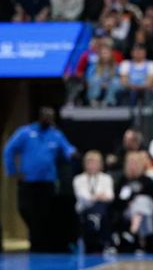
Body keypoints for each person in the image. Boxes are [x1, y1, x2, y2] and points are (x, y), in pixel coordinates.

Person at [3, 107, 77, 252]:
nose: (48, 119)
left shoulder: (56, 135)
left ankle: (39, 244)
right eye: (46, 116)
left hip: (47, 182)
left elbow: (67, 149)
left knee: (43, 214)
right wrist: (12, 171)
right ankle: (36, 238)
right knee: (24, 209)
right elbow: (9, 150)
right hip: (28, 181)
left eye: (51, 117)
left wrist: (73, 153)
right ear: (40, 116)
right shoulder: (25, 132)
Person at [73, 150, 114, 253]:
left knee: (101, 208)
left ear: (100, 164)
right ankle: (105, 239)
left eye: (95, 162)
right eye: (89, 162)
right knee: (96, 209)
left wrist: (94, 197)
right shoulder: (78, 179)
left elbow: (110, 196)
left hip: (102, 208)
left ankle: (95, 221)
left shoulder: (106, 178)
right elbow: (83, 196)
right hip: (84, 209)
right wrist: (98, 196)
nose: (92, 165)